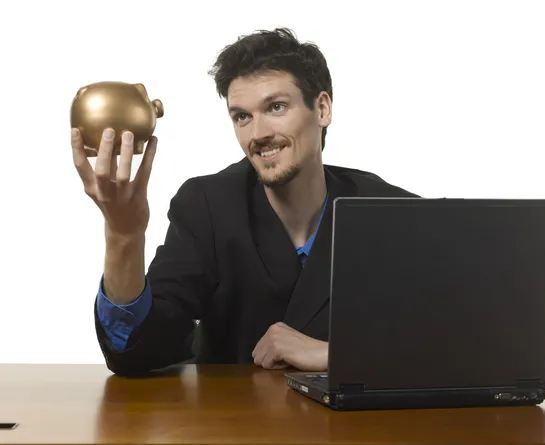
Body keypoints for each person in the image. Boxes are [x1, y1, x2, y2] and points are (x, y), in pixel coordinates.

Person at [71, 28, 419, 377]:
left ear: (323, 109)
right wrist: (124, 235)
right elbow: (137, 350)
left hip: (359, 430)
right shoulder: (207, 207)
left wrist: (338, 355)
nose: (257, 134)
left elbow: (455, 343)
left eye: (276, 107)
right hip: (240, 427)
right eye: (242, 116)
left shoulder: (391, 213)